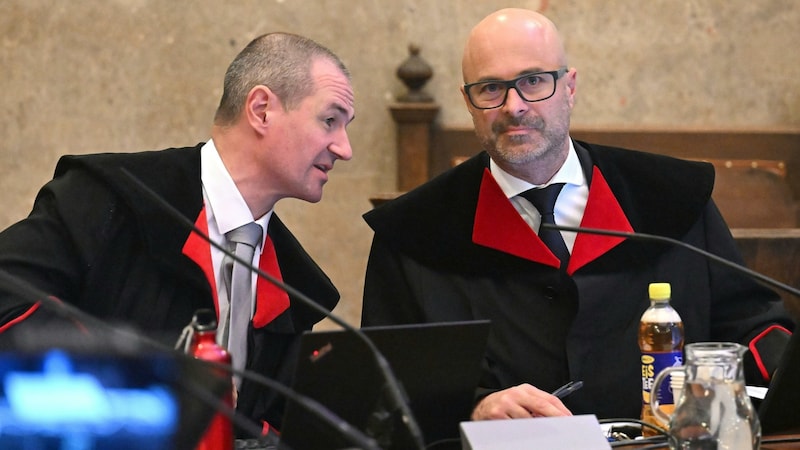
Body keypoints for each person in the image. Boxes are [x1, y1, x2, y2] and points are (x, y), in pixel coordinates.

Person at [361, 8, 793, 423]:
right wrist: (472, 408)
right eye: (491, 88)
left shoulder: (671, 200)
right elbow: (387, 384)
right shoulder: (414, 234)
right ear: (468, 101)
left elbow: (751, 327)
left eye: (534, 81)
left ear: (570, 87)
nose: (514, 106)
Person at [0, 32, 355, 438]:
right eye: (330, 120)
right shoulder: (109, 198)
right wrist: (153, 378)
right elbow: (8, 306)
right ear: (261, 110)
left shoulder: (296, 284)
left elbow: (272, 426)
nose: (345, 148)